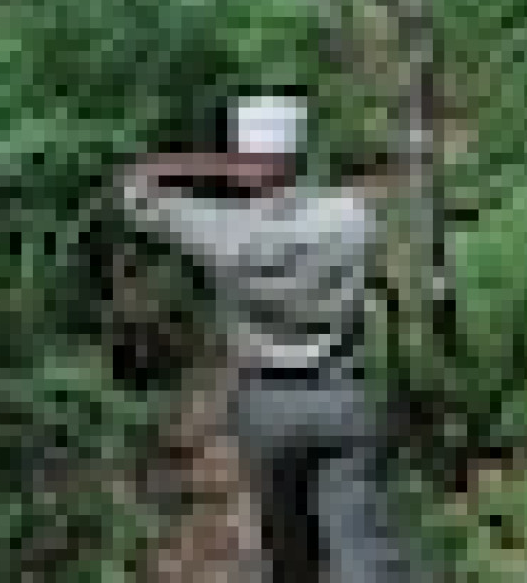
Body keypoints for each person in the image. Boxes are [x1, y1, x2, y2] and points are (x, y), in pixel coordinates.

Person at [117, 96, 413, 582]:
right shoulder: (349, 217)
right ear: (299, 153)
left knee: (286, 544)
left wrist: (208, 165)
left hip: (266, 404)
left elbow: (134, 189)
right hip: (344, 393)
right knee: (362, 545)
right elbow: (378, 245)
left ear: (240, 158)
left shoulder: (219, 229)